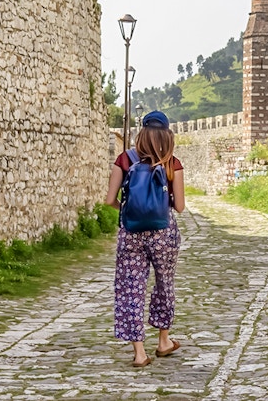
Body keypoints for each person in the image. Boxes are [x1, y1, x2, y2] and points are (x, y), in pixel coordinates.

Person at [106, 110, 185, 367]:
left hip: (130, 233)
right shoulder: (171, 163)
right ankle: (163, 341)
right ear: (167, 135)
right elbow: (181, 206)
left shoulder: (124, 159)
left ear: (142, 133)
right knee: (164, 284)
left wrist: (130, 211)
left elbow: (109, 200)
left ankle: (139, 353)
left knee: (130, 288)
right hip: (164, 233)